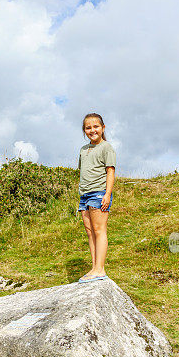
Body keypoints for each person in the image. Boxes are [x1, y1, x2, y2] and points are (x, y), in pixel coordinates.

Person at [76, 112, 116, 283]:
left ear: (103, 128)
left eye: (96, 126)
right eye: (88, 127)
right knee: (90, 232)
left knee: (99, 230)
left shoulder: (106, 147)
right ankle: (95, 268)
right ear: (84, 130)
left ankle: (99, 269)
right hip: (84, 195)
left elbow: (110, 171)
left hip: (99, 193)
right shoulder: (83, 149)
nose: (92, 130)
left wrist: (107, 194)